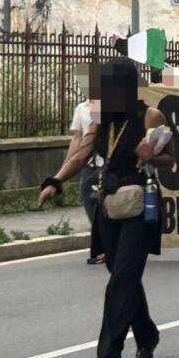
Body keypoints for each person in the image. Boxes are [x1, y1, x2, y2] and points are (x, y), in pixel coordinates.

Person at [39, 58, 175, 358]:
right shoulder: (102, 117)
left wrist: (151, 155)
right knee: (120, 273)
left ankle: (109, 352)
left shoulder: (151, 116)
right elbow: (81, 153)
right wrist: (56, 181)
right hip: (109, 204)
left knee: (122, 280)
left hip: (141, 204)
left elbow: (171, 159)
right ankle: (147, 334)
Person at [66, 97, 104, 265]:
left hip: (107, 165)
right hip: (88, 165)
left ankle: (106, 248)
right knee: (89, 203)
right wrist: (67, 166)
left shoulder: (111, 105)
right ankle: (104, 245)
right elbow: (77, 138)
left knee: (107, 207)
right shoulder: (81, 108)